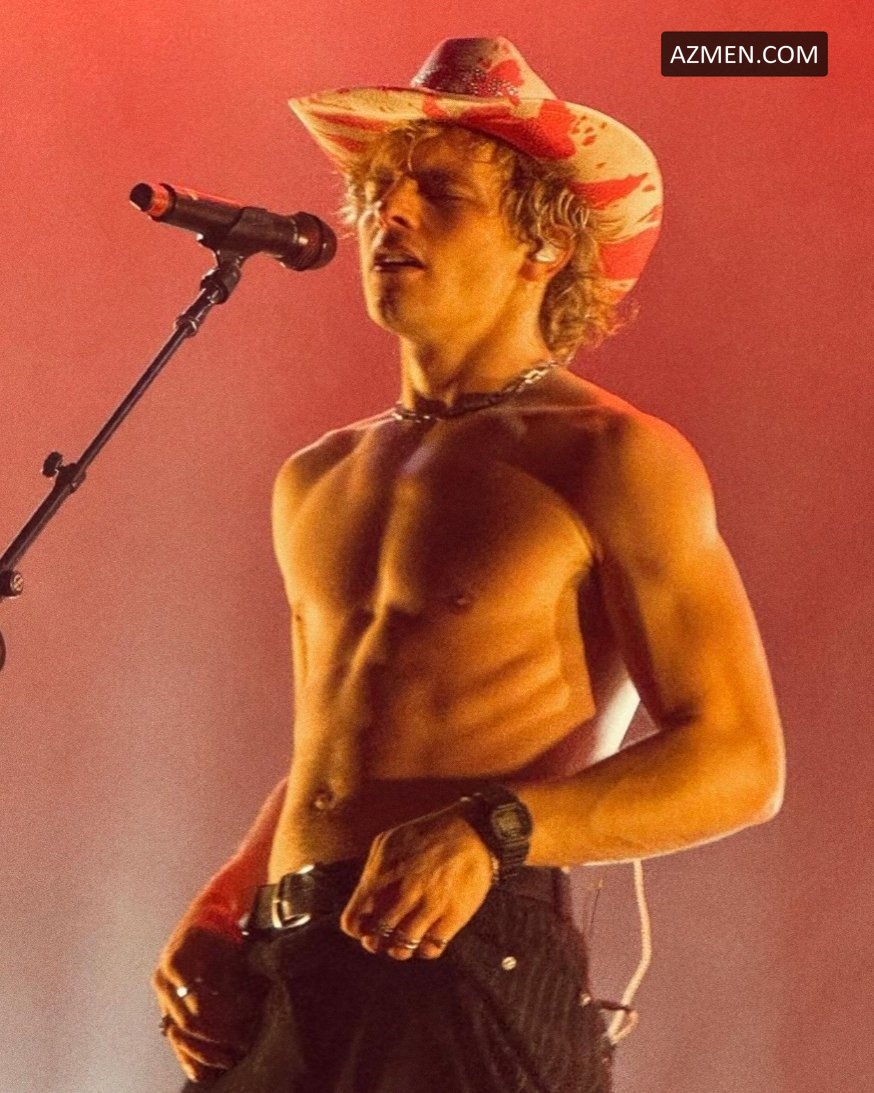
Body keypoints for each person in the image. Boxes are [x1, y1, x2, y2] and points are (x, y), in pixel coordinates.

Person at [153, 37, 785, 1092]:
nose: (388, 216)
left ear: (545, 244)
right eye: (377, 193)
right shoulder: (317, 475)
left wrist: (496, 829)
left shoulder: (614, 456)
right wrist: (227, 897)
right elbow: (345, 747)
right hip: (287, 965)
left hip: (469, 953)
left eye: (438, 193)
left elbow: (740, 762)